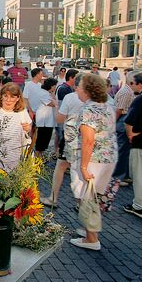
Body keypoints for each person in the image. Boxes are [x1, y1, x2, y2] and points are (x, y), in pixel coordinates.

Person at [70, 74, 117, 251]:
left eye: (79, 87)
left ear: (88, 91)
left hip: (94, 159)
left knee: (87, 197)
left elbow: (88, 140)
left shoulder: (88, 110)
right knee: (93, 197)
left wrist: (83, 166)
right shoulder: (107, 106)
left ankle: (92, 238)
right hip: (109, 157)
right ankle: (90, 231)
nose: (77, 89)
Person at [40, 73, 84, 208]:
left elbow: (59, 119)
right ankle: (81, 204)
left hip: (70, 137)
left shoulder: (70, 98)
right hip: (85, 138)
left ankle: (53, 198)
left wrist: (56, 106)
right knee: (80, 170)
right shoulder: (95, 99)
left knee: (62, 167)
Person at [0, 82, 32, 171]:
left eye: (12, 97)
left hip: (16, 160)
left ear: (18, 98)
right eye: (5, 96)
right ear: (1, 97)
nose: (8, 100)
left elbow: (28, 129)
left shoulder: (22, 112)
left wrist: (28, 128)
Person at [123, 72, 142, 218]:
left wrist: (130, 135)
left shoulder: (140, 100)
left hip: (141, 141)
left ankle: (140, 206)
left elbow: (129, 121)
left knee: (140, 175)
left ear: (140, 84)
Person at [112, 70, 137, 185]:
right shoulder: (126, 92)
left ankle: (123, 174)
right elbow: (119, 110)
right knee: (122, 150)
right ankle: (119, 176)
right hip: (122, 121)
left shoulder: (127, 91)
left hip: (123, 120)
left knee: (124, 150)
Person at [34, 78, 58, 157]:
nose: (55, 87)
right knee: (40, 143)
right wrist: (54, 100)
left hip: (48, 121)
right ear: (51, 86)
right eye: (54, 85)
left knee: (44, 142)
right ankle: (37, 159)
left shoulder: (47, 93)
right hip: (43, 122)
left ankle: (40, 157)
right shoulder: (43, 93)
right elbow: (52, 104)